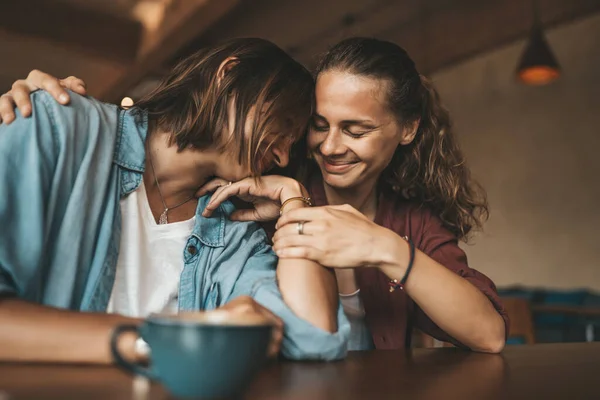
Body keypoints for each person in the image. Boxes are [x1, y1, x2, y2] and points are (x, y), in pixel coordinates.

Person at [1, 37, 508, 353]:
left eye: (355, 129)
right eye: (310, 125)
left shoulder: (240, 211)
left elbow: (487, 333)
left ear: (407, 130)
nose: (311, 150)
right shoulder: (240, 197)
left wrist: (377, 243)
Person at [0, 38, 349, 364]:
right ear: (226, 74)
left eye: (292, 143)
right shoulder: (57, 125)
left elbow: (313, 337)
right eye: (283, 125)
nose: (283, 156)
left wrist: (293, 198)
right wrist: (165, 339)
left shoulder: (233, 231)